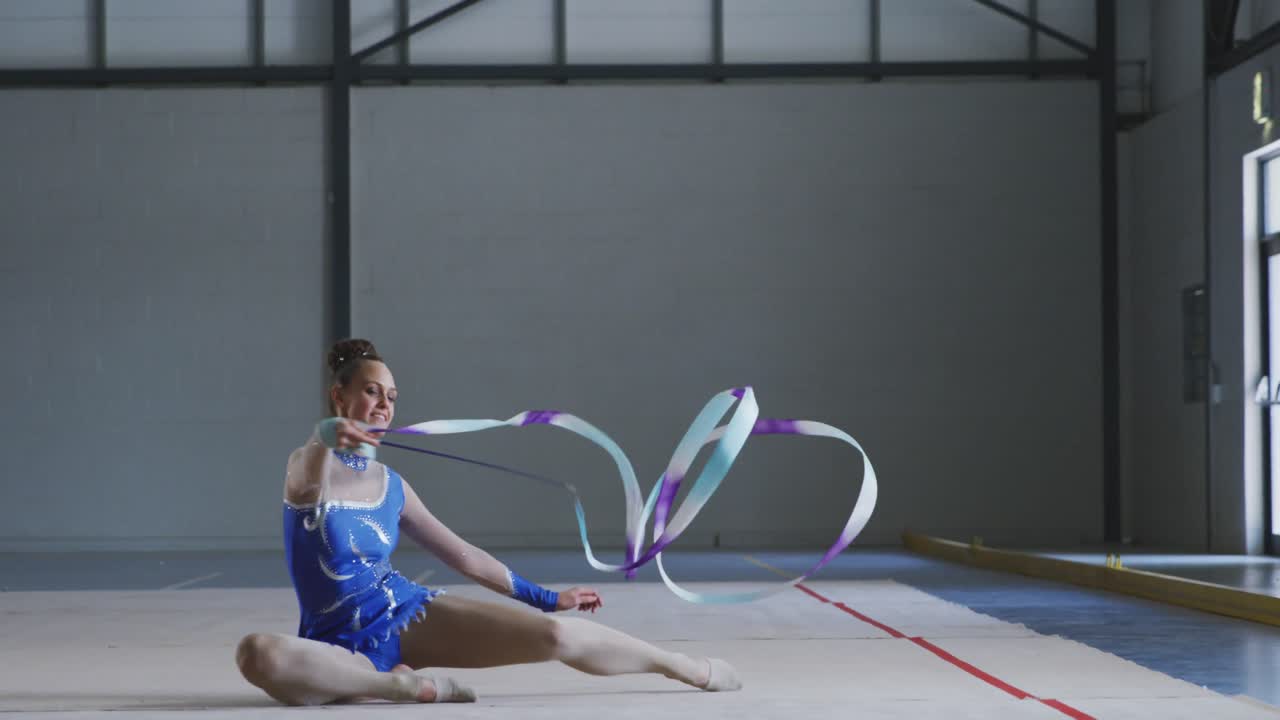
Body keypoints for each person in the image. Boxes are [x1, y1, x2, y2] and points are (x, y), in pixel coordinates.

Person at [235, 339, 742, 705]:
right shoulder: (307, 470)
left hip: (406, 616)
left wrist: (545, 597)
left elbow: (464, 557)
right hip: (329, 644)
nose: (384, 406)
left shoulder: (392, 485)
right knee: (258, 654)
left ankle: (685, 668)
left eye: (391, 397)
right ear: (339, 397)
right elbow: (311, 462)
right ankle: (401, 687)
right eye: (372, 393)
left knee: (555, 636)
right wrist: (328, 434)